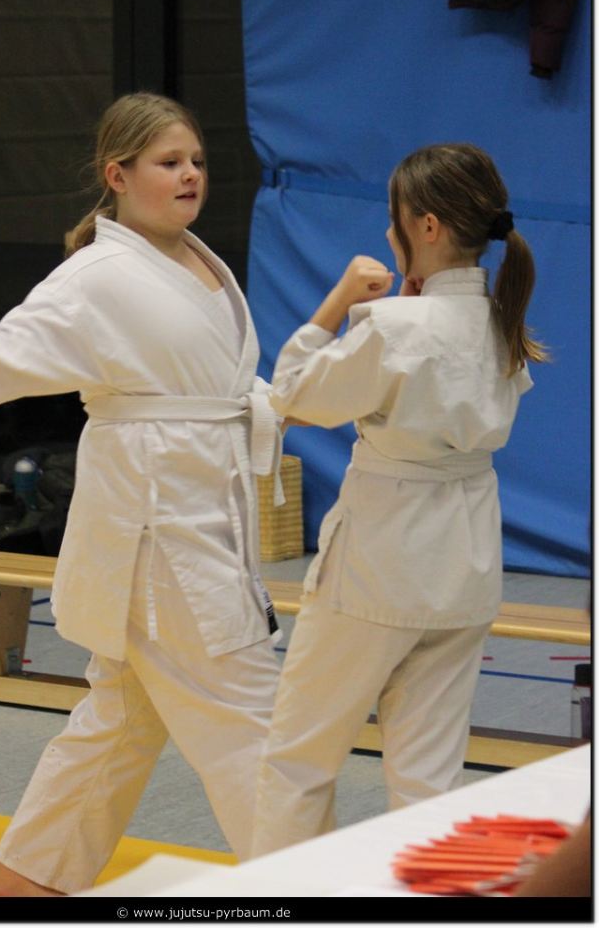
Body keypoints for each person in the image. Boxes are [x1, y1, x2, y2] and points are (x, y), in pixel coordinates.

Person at [0, 92, 282, 896]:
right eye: (168, 162)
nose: (189, 175)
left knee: (122, 721)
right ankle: (318, 885)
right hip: (163, 533)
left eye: (197, 161)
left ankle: (26, 879)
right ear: (118, 175)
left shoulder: (196, 261)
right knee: (254, 726)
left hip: (194, 515)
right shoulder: (98, 276)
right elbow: (11, 352)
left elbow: (223, 390)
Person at [250, 142, 545, 857]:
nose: (388, 233)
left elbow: (291, 396)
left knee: (297, 759)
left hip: (379, 564)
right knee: (428, 781)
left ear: (428, 226)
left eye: (396, 219)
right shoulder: (501, 322)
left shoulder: (394, 326)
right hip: (466, 565)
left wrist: (339, 303)